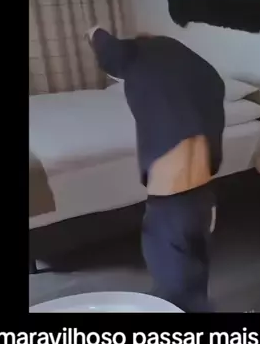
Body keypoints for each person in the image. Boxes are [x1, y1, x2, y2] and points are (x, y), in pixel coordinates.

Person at [87, 27, 225, 312]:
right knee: (195, 279)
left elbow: (105, 46)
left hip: (169, 204)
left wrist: (93, 31)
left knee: (171, 293)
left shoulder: (139, 55)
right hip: (203, 198)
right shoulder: (198, 69)